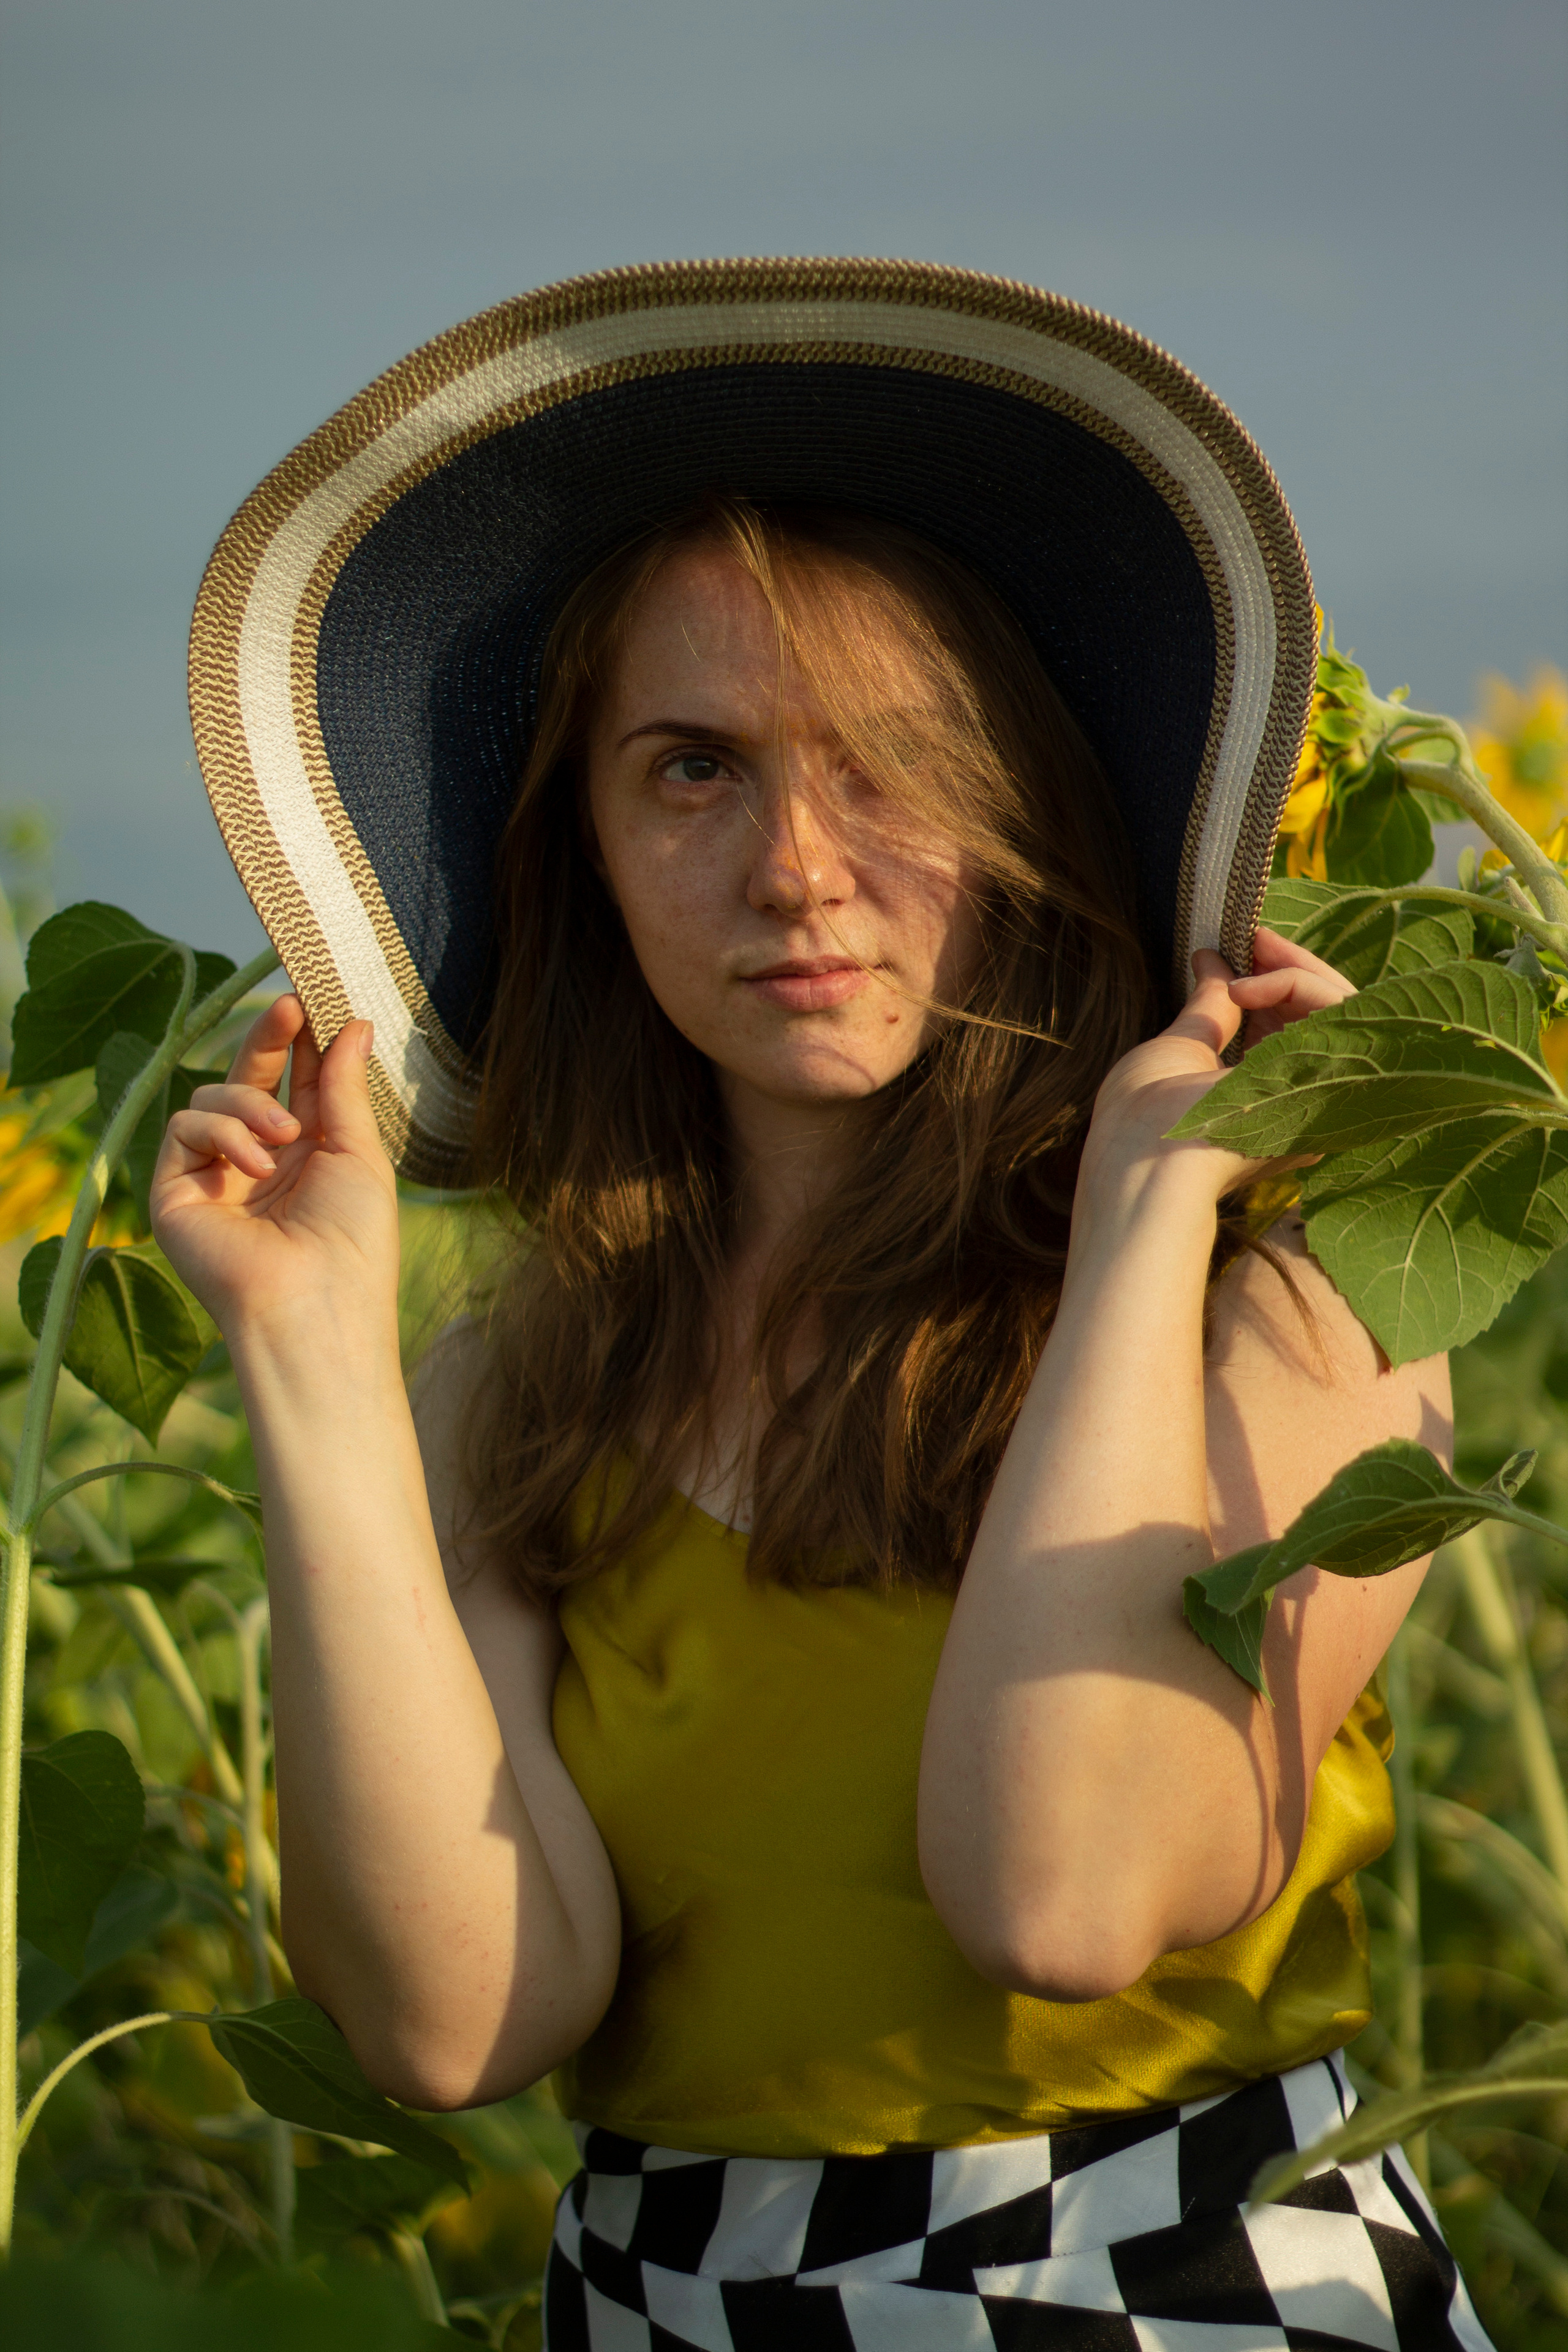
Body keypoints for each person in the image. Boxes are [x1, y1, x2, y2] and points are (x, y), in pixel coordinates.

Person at [159, 262, 1491, 2348]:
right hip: (662, 2305)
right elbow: (450, 2014)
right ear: (579, 849)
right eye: (691, 770)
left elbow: (1061, 1898)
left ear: (1041, 805)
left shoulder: (1294, 1308)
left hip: (1173, 2294)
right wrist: (310, 1358)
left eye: (890, 764)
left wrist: (1143, 1228)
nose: (796, 867)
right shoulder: (521, 1378)